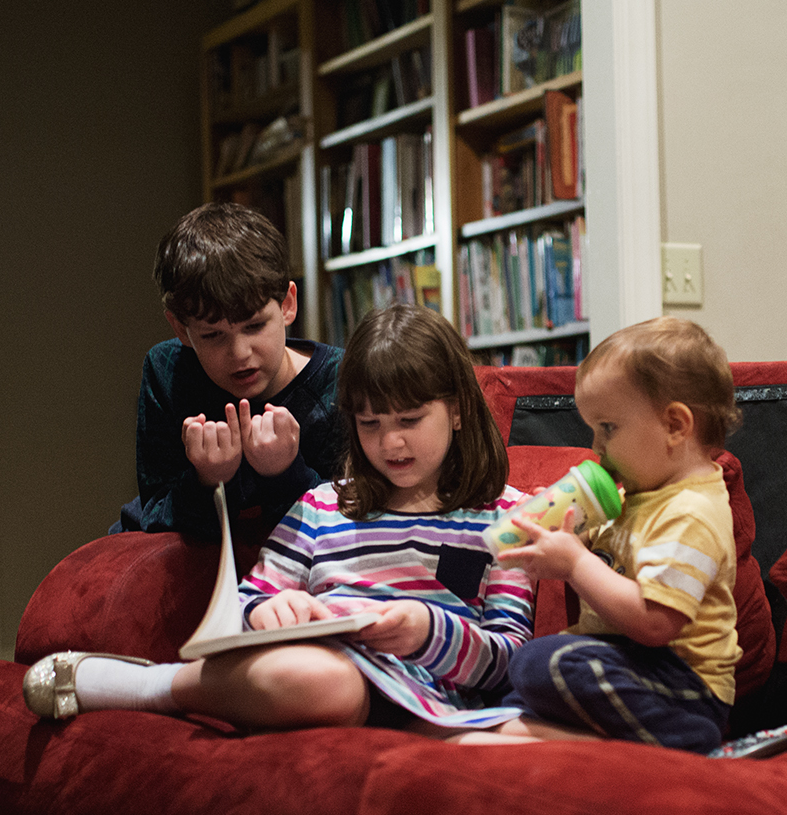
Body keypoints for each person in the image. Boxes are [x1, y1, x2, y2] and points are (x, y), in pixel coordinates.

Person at [27, 304, 534, 733]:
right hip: (323, 675)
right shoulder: (321, 506)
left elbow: (511, 657)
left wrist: (427, 631)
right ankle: (150, 686)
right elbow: (247, 605)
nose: (390, 442)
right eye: (370, 423)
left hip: (435, 704)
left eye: (410, 420)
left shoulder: (508, 517)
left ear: (458, 410)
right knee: (326, 682)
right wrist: (269, 612)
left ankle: (157, 688)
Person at [494, 317, 743, 754]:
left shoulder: (692, 513)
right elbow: (610, 562)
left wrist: (575, 563)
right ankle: (567, 739)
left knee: (544, 661)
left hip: (683, 685)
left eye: (607, 427)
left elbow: (653, 623)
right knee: (520, 680)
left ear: (675, 426)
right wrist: (568, 532)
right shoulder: (641, 491)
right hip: (623, 662)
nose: (597, 447)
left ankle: (683, 741)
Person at [114, 203, 344, 548]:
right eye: (212, 335)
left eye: (254, 326)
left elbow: (351, 534)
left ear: (287, 305)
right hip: (178, 561)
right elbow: (154, 510)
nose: (240, 354)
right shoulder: (168, 371)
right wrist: (208, 480)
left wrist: (284, 472)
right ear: (180, 328)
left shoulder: (340, 382)